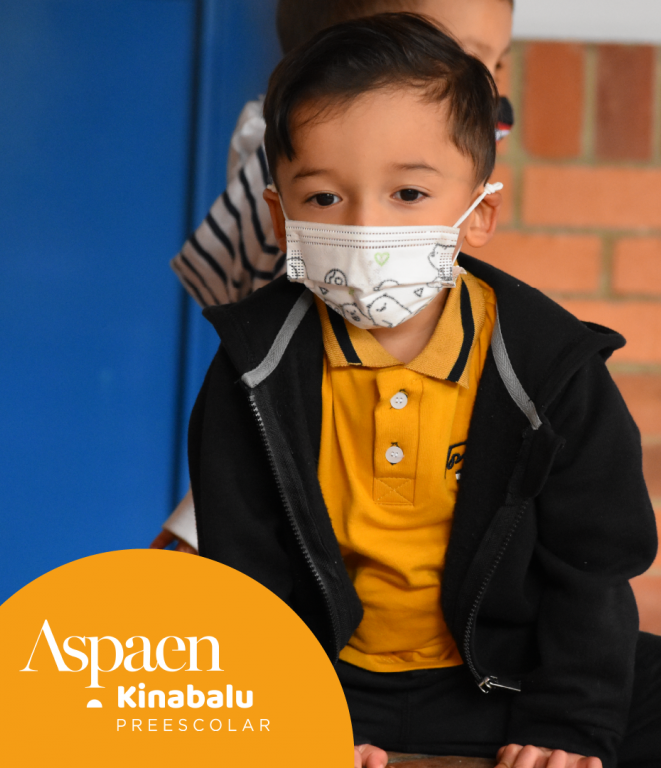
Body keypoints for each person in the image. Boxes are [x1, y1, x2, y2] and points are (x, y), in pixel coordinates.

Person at [188, 13, 661, 768]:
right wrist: (297, 714)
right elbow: (246, 573)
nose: (367, 226)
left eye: (408, 193)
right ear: (279, 218)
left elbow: (591, 566)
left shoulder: (550, 366)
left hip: (505, 677)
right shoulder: (253, 369)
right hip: (337, 685)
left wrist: (568, 721)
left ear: (478, 213)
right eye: (323, 199)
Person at [151, 0, 515, 554]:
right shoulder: (316, 218)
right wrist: (199, 526)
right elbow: (276, 390)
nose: (491, 93)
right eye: (457, 54)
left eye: (498, 62)